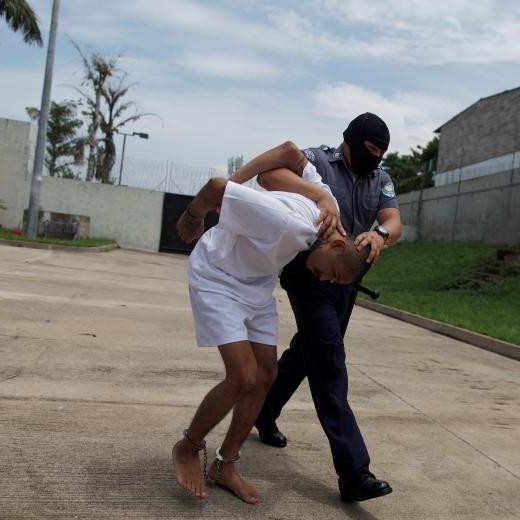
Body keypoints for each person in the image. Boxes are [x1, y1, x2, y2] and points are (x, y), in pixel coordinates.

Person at [172, 167, 371, 505]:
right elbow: (218, 187)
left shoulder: (327, 210)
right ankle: (188, 447)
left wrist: (324, 195)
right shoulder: (286, 223)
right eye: (333, 274)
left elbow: (295, 156)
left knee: (266, 375)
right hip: (218, 274)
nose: (325, 280)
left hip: (257, 283)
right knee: (242, 376)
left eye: (335, 282)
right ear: (337, 243)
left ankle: (225, 465)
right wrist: (194, 215)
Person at [234, 113, 403, 502]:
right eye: (370, 150)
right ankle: (354, 472)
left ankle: (265, 408)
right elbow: (270, 176)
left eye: (380, 153)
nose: (374, 158)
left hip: (346, 278)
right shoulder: (320, 160)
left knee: (308, 352)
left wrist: (380, 235)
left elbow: (394, 220)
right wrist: (320, 195)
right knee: (329, 360)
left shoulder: (381, 177)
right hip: (309, 271)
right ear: (351, 140)